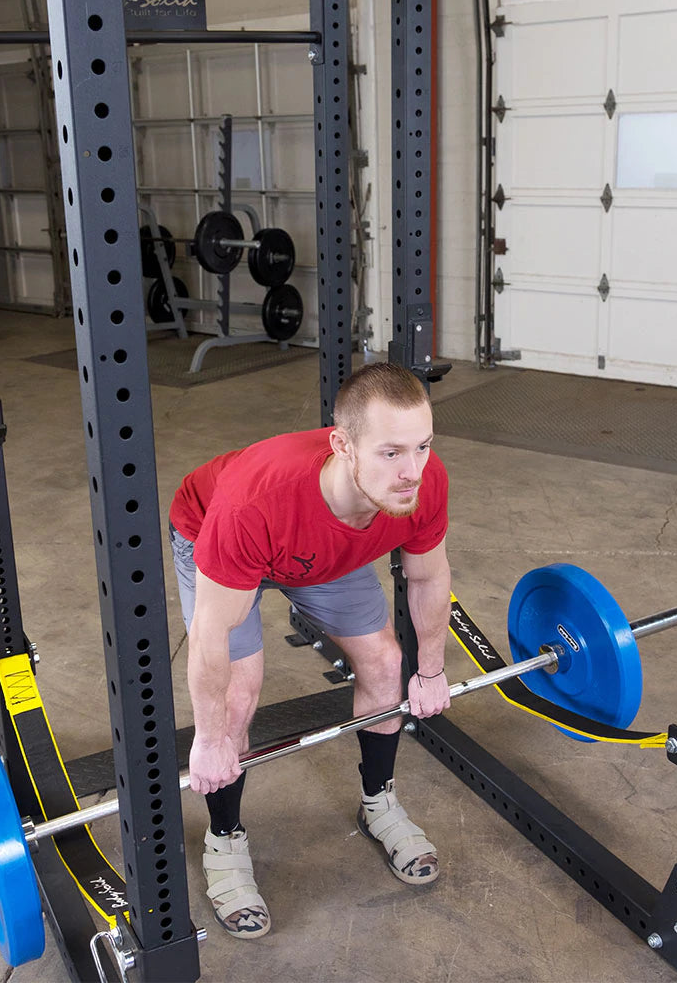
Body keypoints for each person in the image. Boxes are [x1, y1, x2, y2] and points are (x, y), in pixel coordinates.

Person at [167, 362, 453, 938]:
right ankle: (224, 836)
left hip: (321, 552)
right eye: (391, 453)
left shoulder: (422, 484)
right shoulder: (253, 504)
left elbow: (427, 577)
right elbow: (211, 635)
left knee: (386, 663)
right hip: (221, 537)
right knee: (238, 696)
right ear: (342, 446)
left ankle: (378, 803)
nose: (412, 471)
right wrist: (209, 740)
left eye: (421, 446)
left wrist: (431, 671)